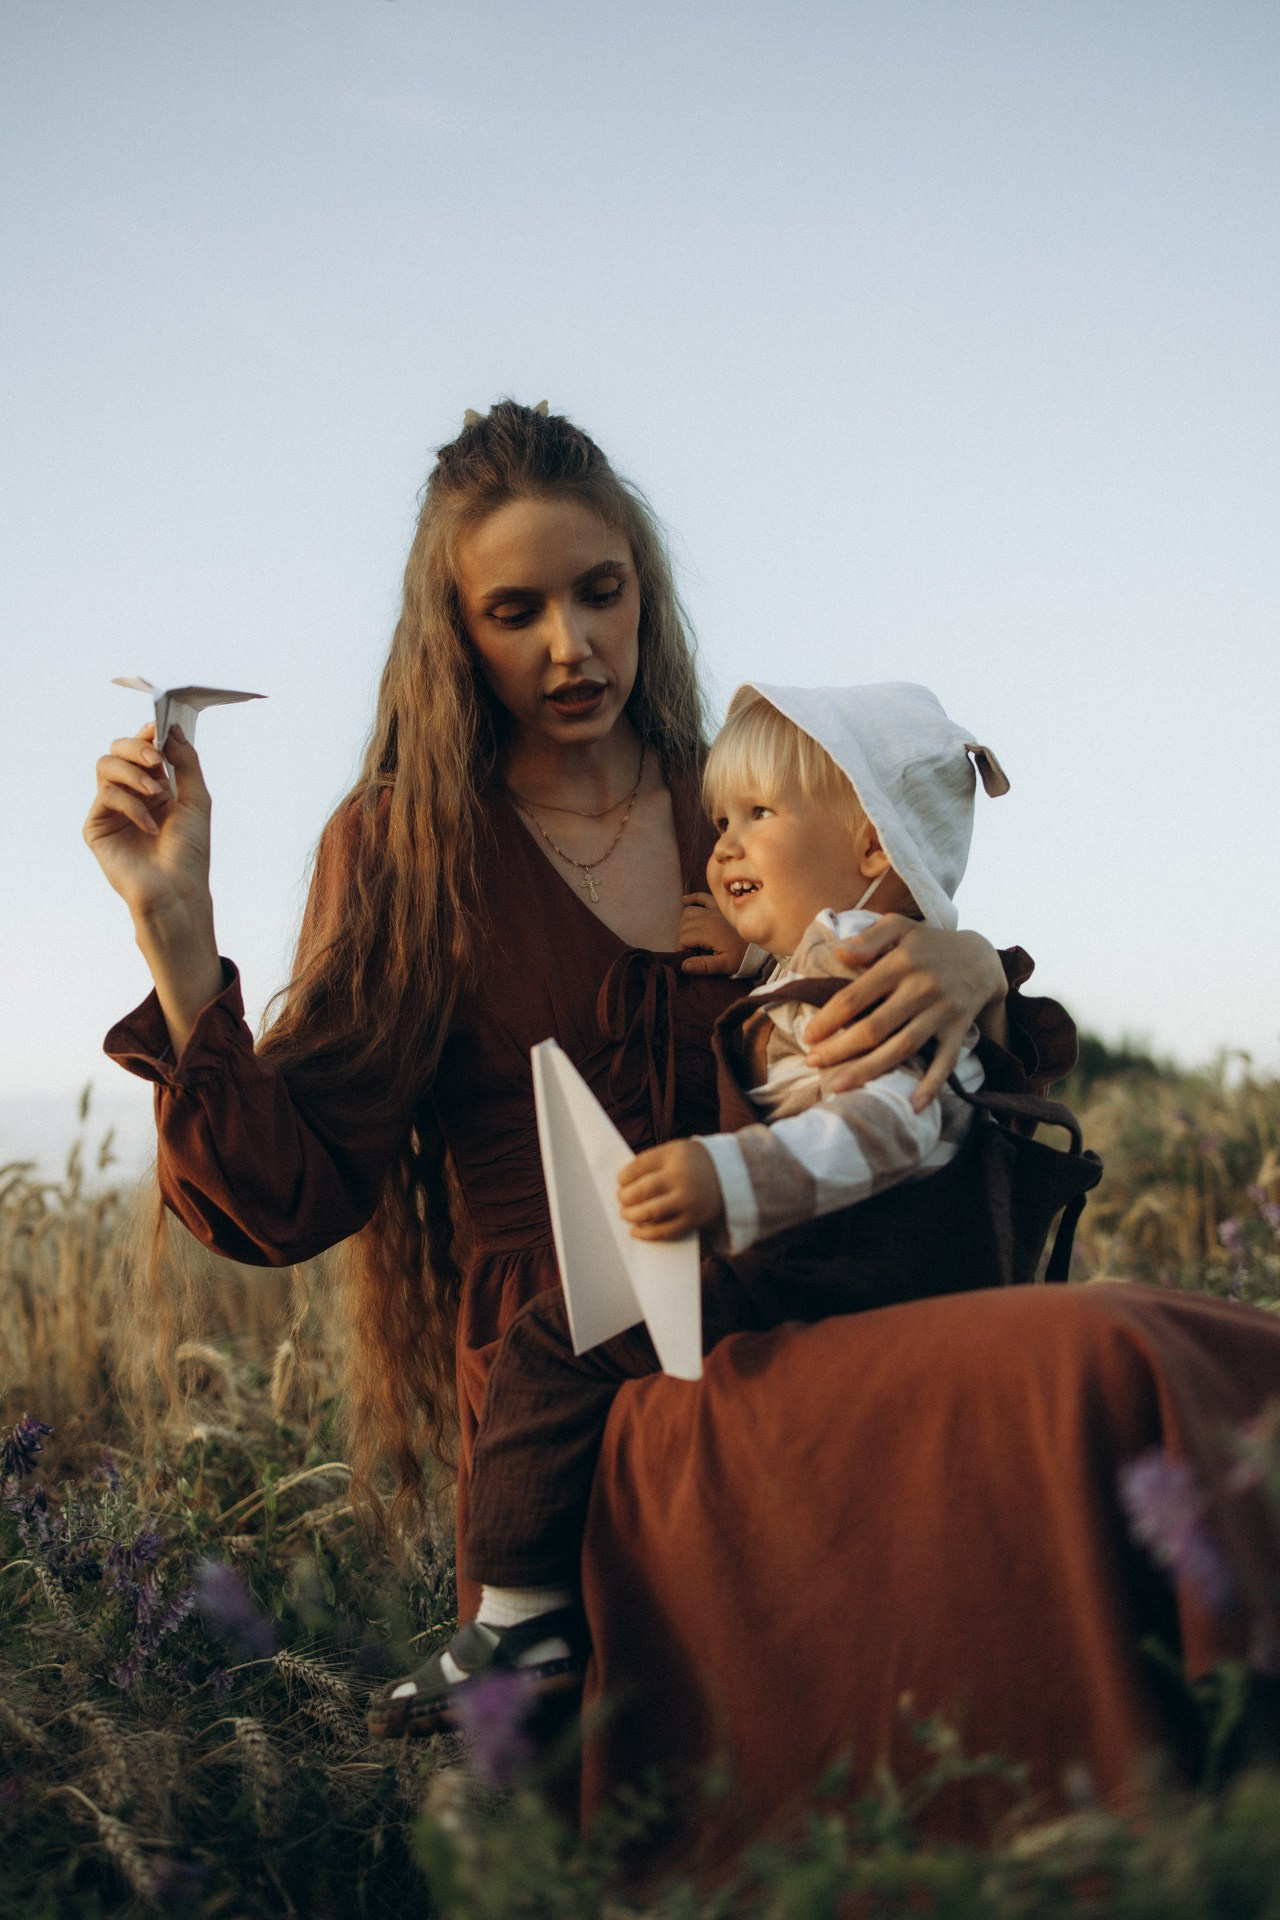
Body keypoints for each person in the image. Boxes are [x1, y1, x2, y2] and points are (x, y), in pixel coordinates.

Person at [85, 401, 1278, 1846]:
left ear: (645, 588)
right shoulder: (406, 840)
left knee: (1143, 1366)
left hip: (809, 1299)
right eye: (514, 612)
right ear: (452, 633)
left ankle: (1162, 1819)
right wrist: (176, 931)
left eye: (602, 593)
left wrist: (970, 965)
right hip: (585, 1373)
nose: (571, 647)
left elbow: (889, 1032)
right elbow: (281, 1195)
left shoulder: (738, 790)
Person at [366, 678, 1097, 1737]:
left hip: (850, 1272)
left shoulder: (863, 965)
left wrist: (725, 1179)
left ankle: (523, 1620)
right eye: (718, 822)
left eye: (757, 816)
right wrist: (749, 951)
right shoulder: (824, 957)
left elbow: (897, 1125)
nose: (721, 845)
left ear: (871, 848)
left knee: (558, 1344)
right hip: (837, 1263)